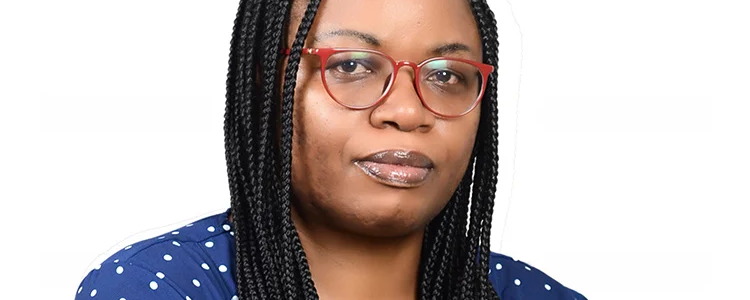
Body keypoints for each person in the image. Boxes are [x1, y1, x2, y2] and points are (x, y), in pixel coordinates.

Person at [74, 0, 587, 299]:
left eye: (446, 75)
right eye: (352, 66)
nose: (408, 112)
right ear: (264, 86)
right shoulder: (159, 287)